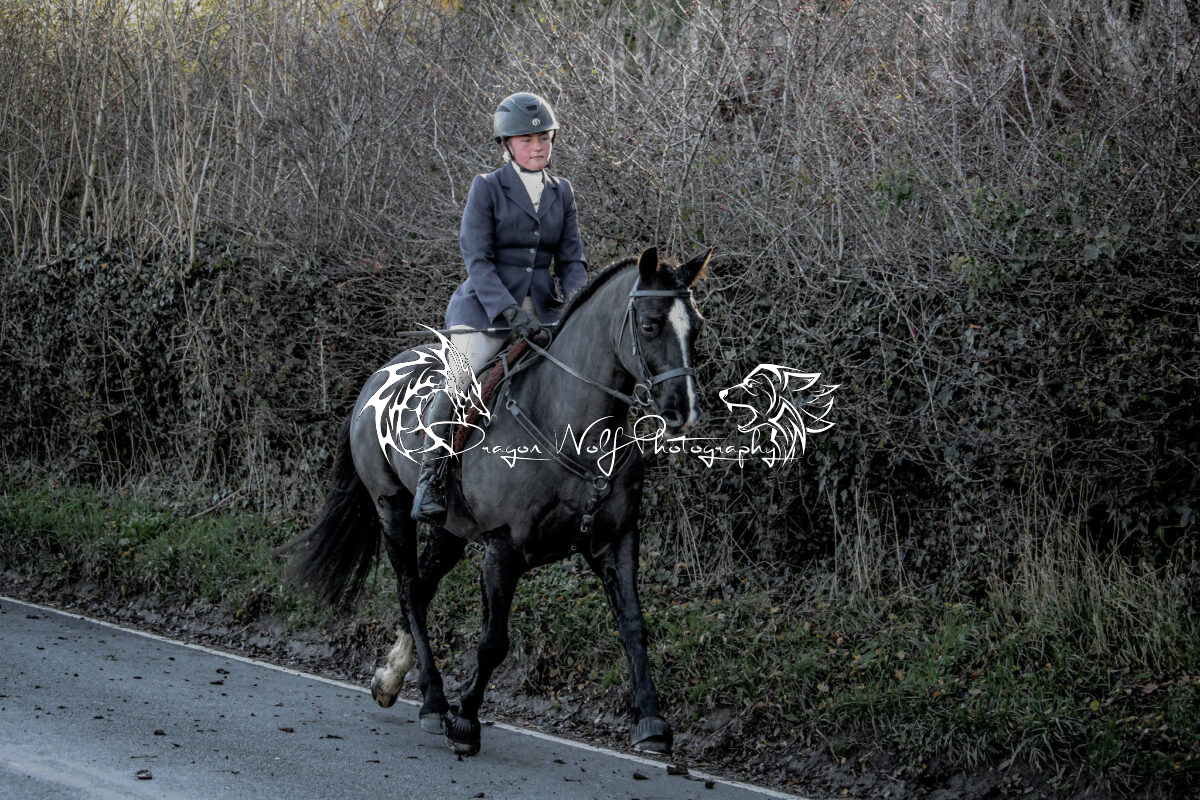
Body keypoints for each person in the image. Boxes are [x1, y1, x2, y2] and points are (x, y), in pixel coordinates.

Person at [411, 92, 589, 524]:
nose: (538, 147)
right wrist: (509, 312)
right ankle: (430, 480)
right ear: (507, 145)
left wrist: (577, 307)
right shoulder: (487, 188)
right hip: (486, 310)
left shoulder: (561, 192)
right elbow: (477, 258)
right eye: (527, 140)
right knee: (460, 380)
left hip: (545, 310)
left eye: (544, 138)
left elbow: (571, 261)